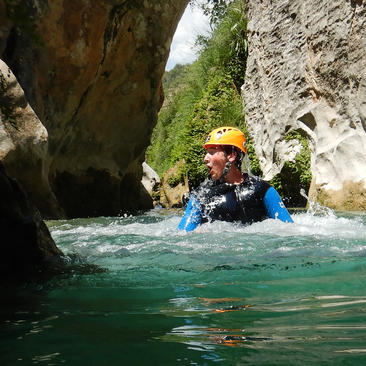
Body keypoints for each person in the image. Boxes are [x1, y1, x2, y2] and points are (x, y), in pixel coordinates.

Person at [178, 126, 293, 231]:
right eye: (207, 153)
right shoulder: (201, 196)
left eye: (212, 152)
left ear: (231, 155)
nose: (205, 158)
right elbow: (182, 236)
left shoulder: (262, 190)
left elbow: (290, 230)